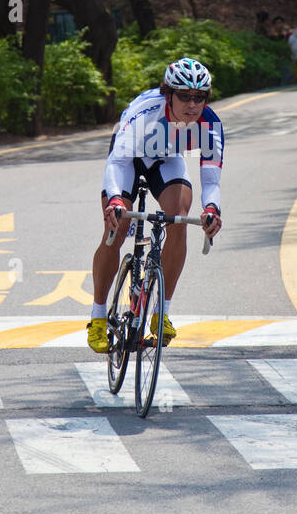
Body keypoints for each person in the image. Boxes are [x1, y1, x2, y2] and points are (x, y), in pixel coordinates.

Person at [86, 58, 223, 353]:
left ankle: (161, 312)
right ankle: (97, 317)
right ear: (167, 94)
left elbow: (211, 180)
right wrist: (113, 201)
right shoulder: (146, 113)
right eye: (184, 96)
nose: (192, 104)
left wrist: (212, 209)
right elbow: (117, 161)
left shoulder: (209, 124)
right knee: (117, 227)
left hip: (165, 157)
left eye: (199, 97)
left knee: (178, 219)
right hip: (128, 158)